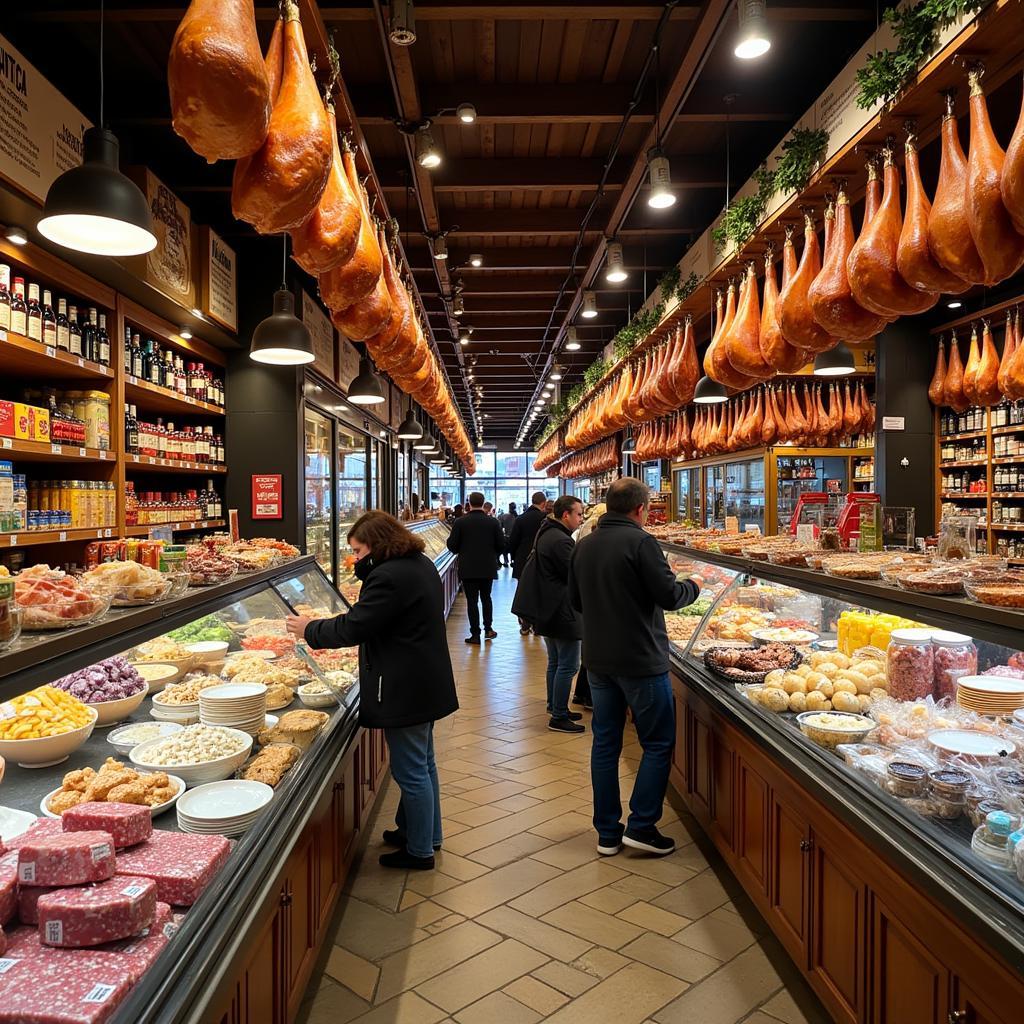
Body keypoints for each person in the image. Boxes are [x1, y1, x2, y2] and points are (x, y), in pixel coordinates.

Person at [285, 511, 457, 871]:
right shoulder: (416, 562)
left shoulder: (390, 577)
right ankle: (424, 832)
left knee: (410, 769)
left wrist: (309, 628)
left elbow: (356, 627)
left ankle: (420, 850)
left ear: (378, 545)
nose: (356, 558)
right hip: (423, 678)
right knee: (424, 763)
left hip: (405, 684)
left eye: (359, 550)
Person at [569, 477, 700, 857]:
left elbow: (575, 601)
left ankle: (607, 832)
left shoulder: (585, 545)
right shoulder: (642, 542)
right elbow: (670, 595)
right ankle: (642, 825)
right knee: (658, 743)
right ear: (641, 509)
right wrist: (693, 585)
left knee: (605, 744)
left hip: (598, 662)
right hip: (641, 661)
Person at [530, 495, 586, 733]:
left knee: (555, 662)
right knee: (569, 665)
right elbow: (575, 576)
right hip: (563, 610)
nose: (581, 519)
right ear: (566, 515)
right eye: (579, 514)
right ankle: (559, 716)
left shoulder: (547, 533)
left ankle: (555, 705)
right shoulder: (561, 541)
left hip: (548, 607)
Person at [446, 491, 505, 644]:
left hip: (468, 568)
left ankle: (475, 634)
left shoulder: (461, 522)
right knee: (486, 598)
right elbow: (501, 545)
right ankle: (489, 628)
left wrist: (462, 550)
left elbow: (452, 545)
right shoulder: (493, 522)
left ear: (469, 503)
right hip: (487, 567)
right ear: (483, 502)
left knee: (471, 601)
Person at [508, 491, 547, 634]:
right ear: (543, 503)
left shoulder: (521, 519)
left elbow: (513, 542)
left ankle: (524, 623)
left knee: (524, 592)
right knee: (540, 591)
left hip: (523, 560)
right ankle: (537, 626)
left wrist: (513, 557)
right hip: (542, 559)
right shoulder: (546, 519)